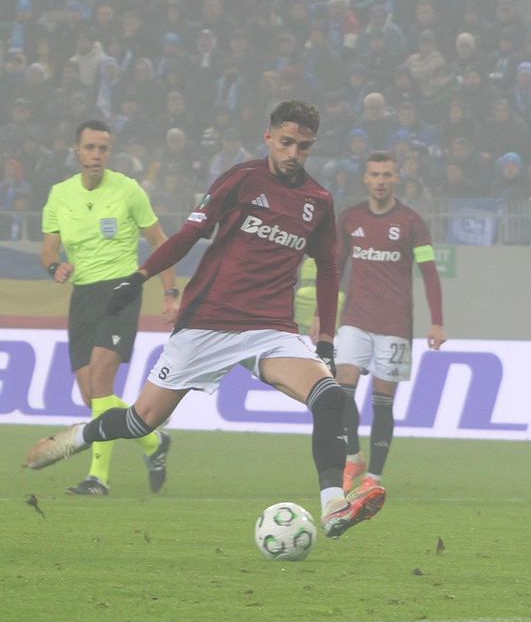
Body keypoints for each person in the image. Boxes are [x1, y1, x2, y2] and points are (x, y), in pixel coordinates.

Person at [26, 101, 385, 541]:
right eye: (286, 142)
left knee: (328, 398)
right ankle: (80, 436)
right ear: (269, 137)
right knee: (142, 421)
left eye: (303, 146)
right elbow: (188, 235)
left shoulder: (317, 201)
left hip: (270, 329)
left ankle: (333, 505)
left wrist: (326, 339)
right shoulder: (241, 179)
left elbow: (329, 269)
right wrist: (141, 277)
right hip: (206, 323)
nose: (293, 153)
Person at [38, 119, 177, 496]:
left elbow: (161, 241)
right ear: (77, 151)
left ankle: (98, 478)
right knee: (91, 396)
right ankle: (153, 442)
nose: (96, 155)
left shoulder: (128, 191)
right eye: (90, 148)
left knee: (101, 380)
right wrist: (55, 265)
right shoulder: (59, 194)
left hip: (120, 293)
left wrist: (170, 292)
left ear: (109, 153)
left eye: (103, 148)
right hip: (82, 296)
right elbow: (49, 247)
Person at [316, 151, 447, 492]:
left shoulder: (411, 223)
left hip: (394, 324)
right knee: (340, 387)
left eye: (387, 175)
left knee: (382, 400)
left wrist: (437, 322)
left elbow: (429, 274)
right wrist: (323, 316)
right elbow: (334, 269)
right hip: (355, 319)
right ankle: (353, 457)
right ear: (365, 178)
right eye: (375, 174)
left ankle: (373, 477)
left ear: (396, 179)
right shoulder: (350, 219)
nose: (380, 181)